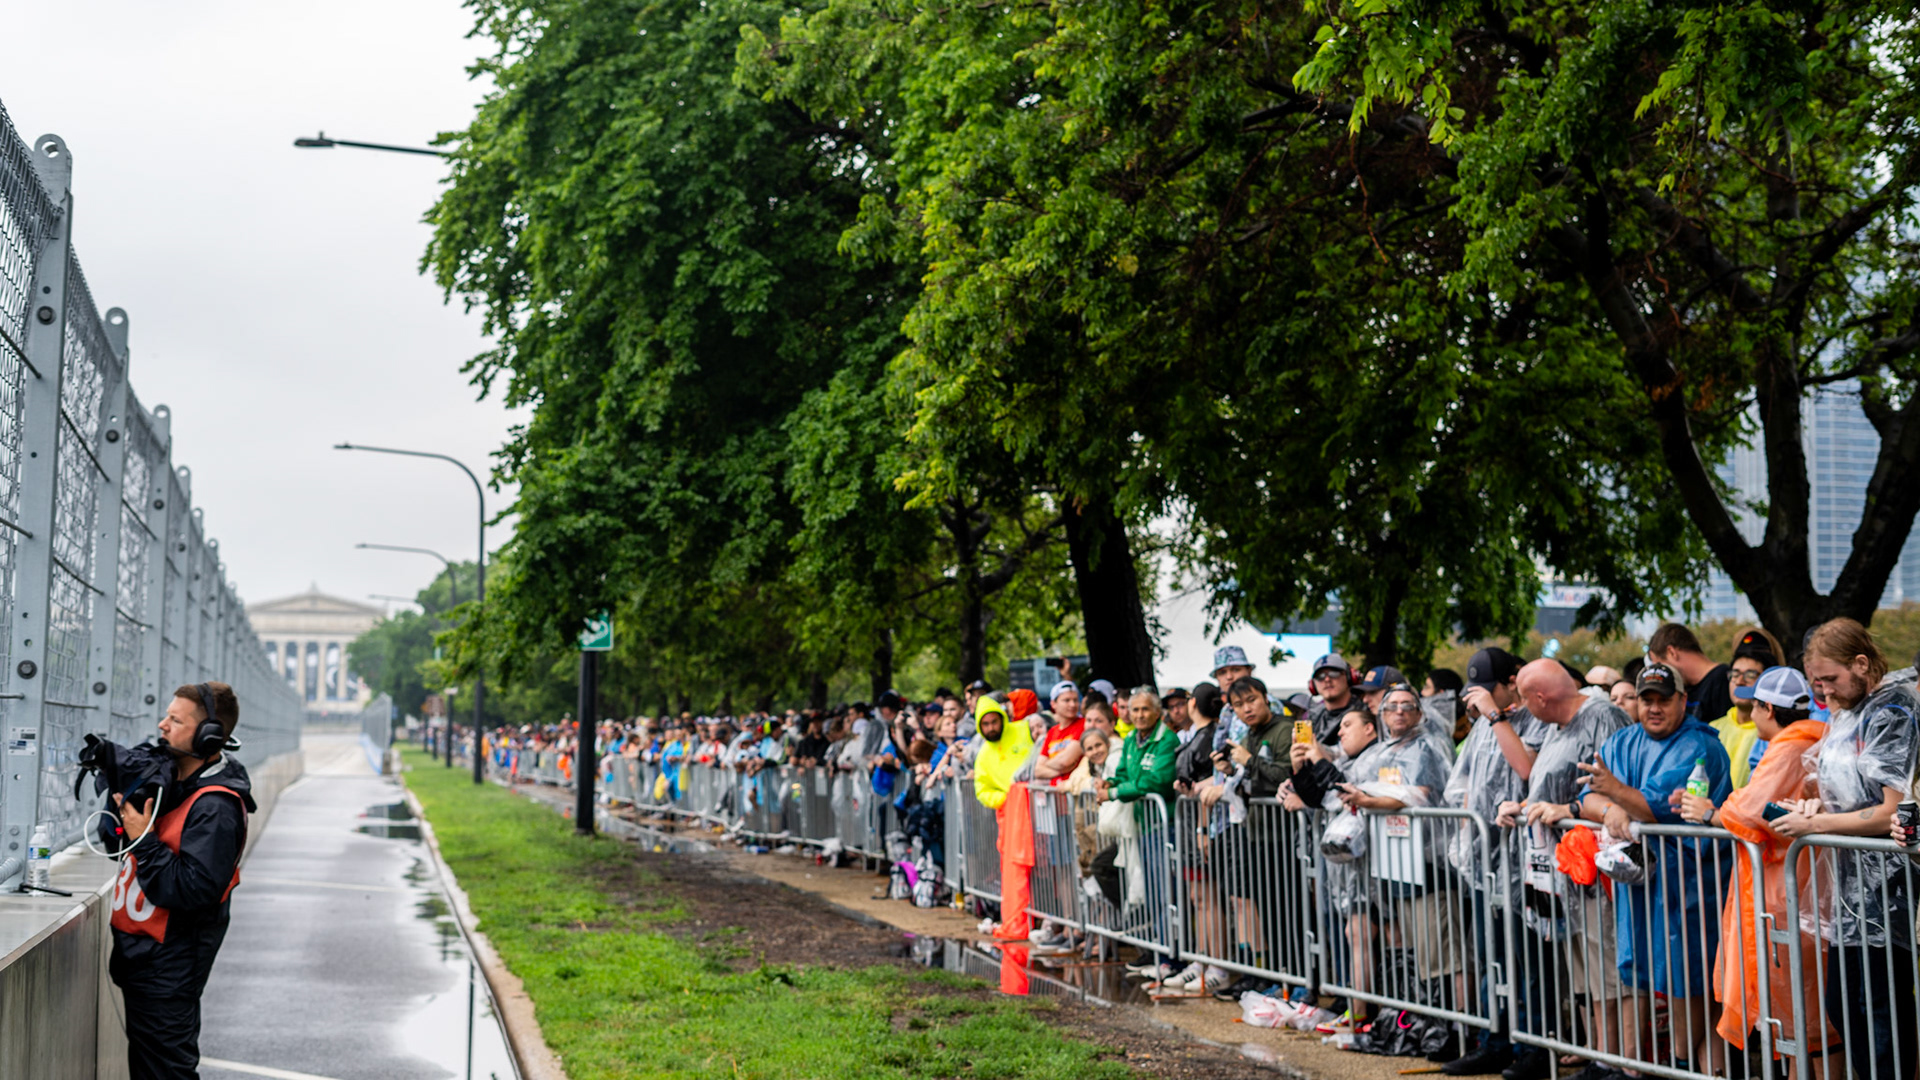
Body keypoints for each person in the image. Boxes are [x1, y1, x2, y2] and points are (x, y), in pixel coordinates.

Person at [1673, 666, 1839, 1080]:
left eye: (1754, 707)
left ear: (1768, 709)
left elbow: (1750, 810)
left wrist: (1711, 812)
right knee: (1803, 1015)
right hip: (1794, 892)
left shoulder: (1790, 747)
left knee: (1805, 1016)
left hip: (1788, 896)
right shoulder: (1809, 740)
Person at [1569, 661, 1731, 1074]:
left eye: (1663, 699)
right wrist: (1609, 810)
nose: (1654, 708)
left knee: (1693, 988)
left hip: (1692, 890)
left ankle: (1687, 1065)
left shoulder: (1700, 746)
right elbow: (1588, 797)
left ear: (1683, 700)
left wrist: (1617, 795)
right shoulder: (1623, 740)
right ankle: (1678, 1065)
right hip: (1642, 891)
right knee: (1654, 980)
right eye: (1647, 700)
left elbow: (1657, 808)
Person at [1777, 618, 1920, 1080]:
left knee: (1879, 1011)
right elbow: (1851, 796)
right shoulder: (1848, 712)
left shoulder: (1892, 710)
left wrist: (1816, 823)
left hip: (1888, 887)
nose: (1825, 692)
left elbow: (1890, 810)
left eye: (1831, 679)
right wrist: (1816, 806)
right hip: (1850, 888)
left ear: (1861, 664)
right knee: (1844, 1004)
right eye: (1817, 683)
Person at [110, 682, 257, 1080]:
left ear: (209, 735)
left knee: (166, 1072)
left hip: (169, 965)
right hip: (146, 960)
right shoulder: (171, 785)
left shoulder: (215, 806)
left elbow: (192, 889)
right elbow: (118, 848)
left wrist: (144, 839)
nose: (162, 725)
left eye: (175, 720)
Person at [1505, 661, 1630, 1080]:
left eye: (1525, 699)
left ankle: (1622, 1062)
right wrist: (1523, 807)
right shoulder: (1556, 728)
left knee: (1608, 968)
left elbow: (1614, 790)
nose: (1524, 707)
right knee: (1585, 972)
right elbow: (1549, 788)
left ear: (1540, 698)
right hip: (1568, 872)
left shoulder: (1602, 716)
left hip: (1599, 870)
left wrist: (1567, 810)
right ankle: (1600, 1056)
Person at [1442, 646, 1545, 1077]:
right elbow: (1463, 783)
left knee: (1528, 959)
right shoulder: (1483, 725)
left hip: (1528, 859)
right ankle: (1494, 1039)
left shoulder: (1536, 717)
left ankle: (1534, 1046)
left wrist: (1495, 715)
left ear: (1512, 682)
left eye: (1489, 689)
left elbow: (1527, 770)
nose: (1480, 697)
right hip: (1485, 857)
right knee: (1490, 955)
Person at [1101, 688, 1181, 979]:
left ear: (1157, 712)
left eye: (1145, 709)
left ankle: (1172, 957)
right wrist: (1111, 783)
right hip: (1142, 825)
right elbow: (1126, 773)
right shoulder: (1131, 740)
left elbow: (1157, 781)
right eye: (1134, 710)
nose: (1139, 715)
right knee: (1152, 891)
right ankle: (1160, 951)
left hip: (1163, 824)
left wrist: (1115, 792)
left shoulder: (1167, 739)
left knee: (1166, 891)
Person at [972, 694, 1036, 940]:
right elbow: (982, 791)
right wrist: (1009, 797)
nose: (991, 728)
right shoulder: (983, 756)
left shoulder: (1024, 730)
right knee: (1016, 870)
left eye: (994, 722)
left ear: (1002, 718)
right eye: (985, 724)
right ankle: (1021, 920)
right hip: (1012, 818)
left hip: (1041, 809)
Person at [1713, 628, 1785, 789]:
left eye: (1750, 675)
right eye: (1735, 674)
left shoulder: (1774, 733)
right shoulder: (1714, 729)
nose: (1740, 682)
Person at [1646, 622, 1733, 726]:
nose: (1663, 674)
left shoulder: (1723, 680)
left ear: (1672, 652)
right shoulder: (1684, 688)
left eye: (1660, 665)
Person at [1033, 682, 1087, 784]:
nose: (1072, 704)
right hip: (1055, 790)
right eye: (1067, 700)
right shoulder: (1052, 731)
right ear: (1053, 704)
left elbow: (1065, 761)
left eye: (1075, 700)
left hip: (1075, 788)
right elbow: (1038, 771)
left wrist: (1046, 764)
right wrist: (1062, 771)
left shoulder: (1084, 724)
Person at [1304, 654, 1359, 743]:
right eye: (1320, 676)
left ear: (1349, 677)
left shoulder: (1365, 712)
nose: (1327, 679)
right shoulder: (1312, 717)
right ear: (1313, 684)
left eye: (1334, 674)